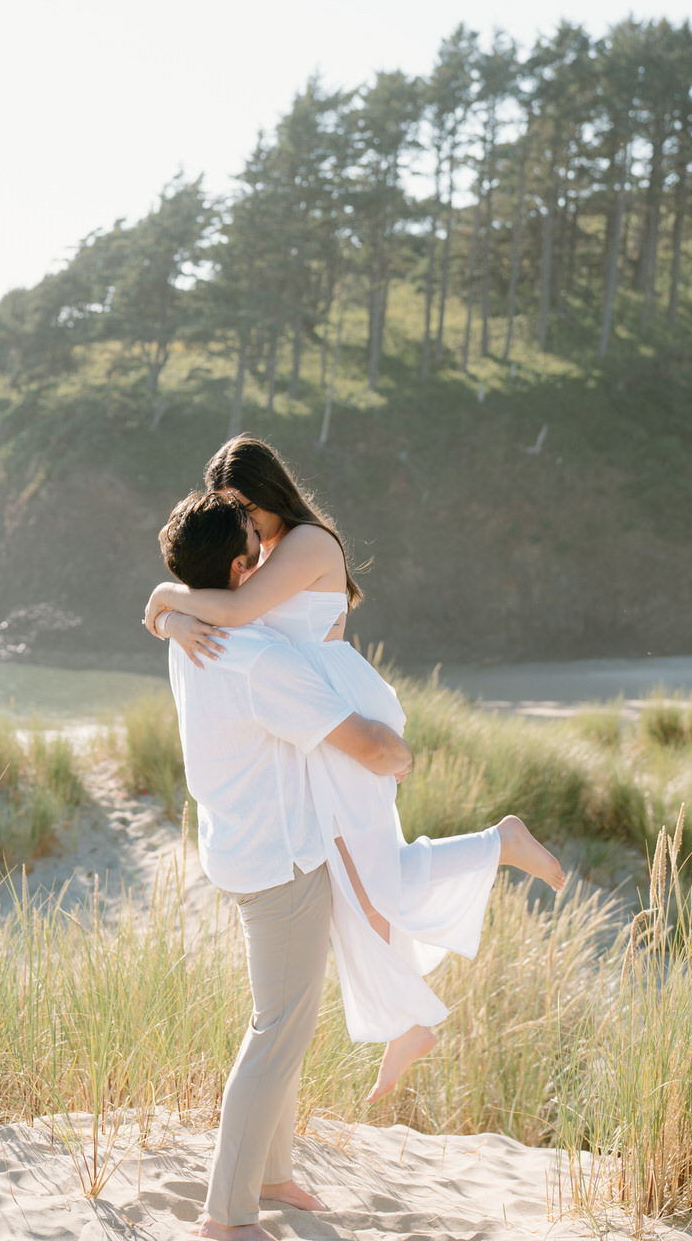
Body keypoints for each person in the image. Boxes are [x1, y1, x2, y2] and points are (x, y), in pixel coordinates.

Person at [145, 435, 566, 1102]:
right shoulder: (263, 552)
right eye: (231, 515)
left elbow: (233, 611)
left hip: (341, 711)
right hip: (310, 720)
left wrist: (165, 599)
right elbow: (222, 613)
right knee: (354, 879)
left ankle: (499, 845)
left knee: (374, 874)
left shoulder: (310, 544)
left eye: (246, 511)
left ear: (270, 493)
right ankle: (405, 1017)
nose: (242, 529)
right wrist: (170, 616)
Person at [157, 488, 413, 1241]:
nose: (270, 556)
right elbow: (365, 744)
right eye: (258, 548)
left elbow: (168, 611)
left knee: (284, 1023)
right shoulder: (256, 658)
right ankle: (226, 1214)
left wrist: (169, 609)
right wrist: (401, 755)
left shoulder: (190, 635)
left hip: (238, 849)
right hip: (281, 865)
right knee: (278, 1031)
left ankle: (270, 1176)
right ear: (239, 569)